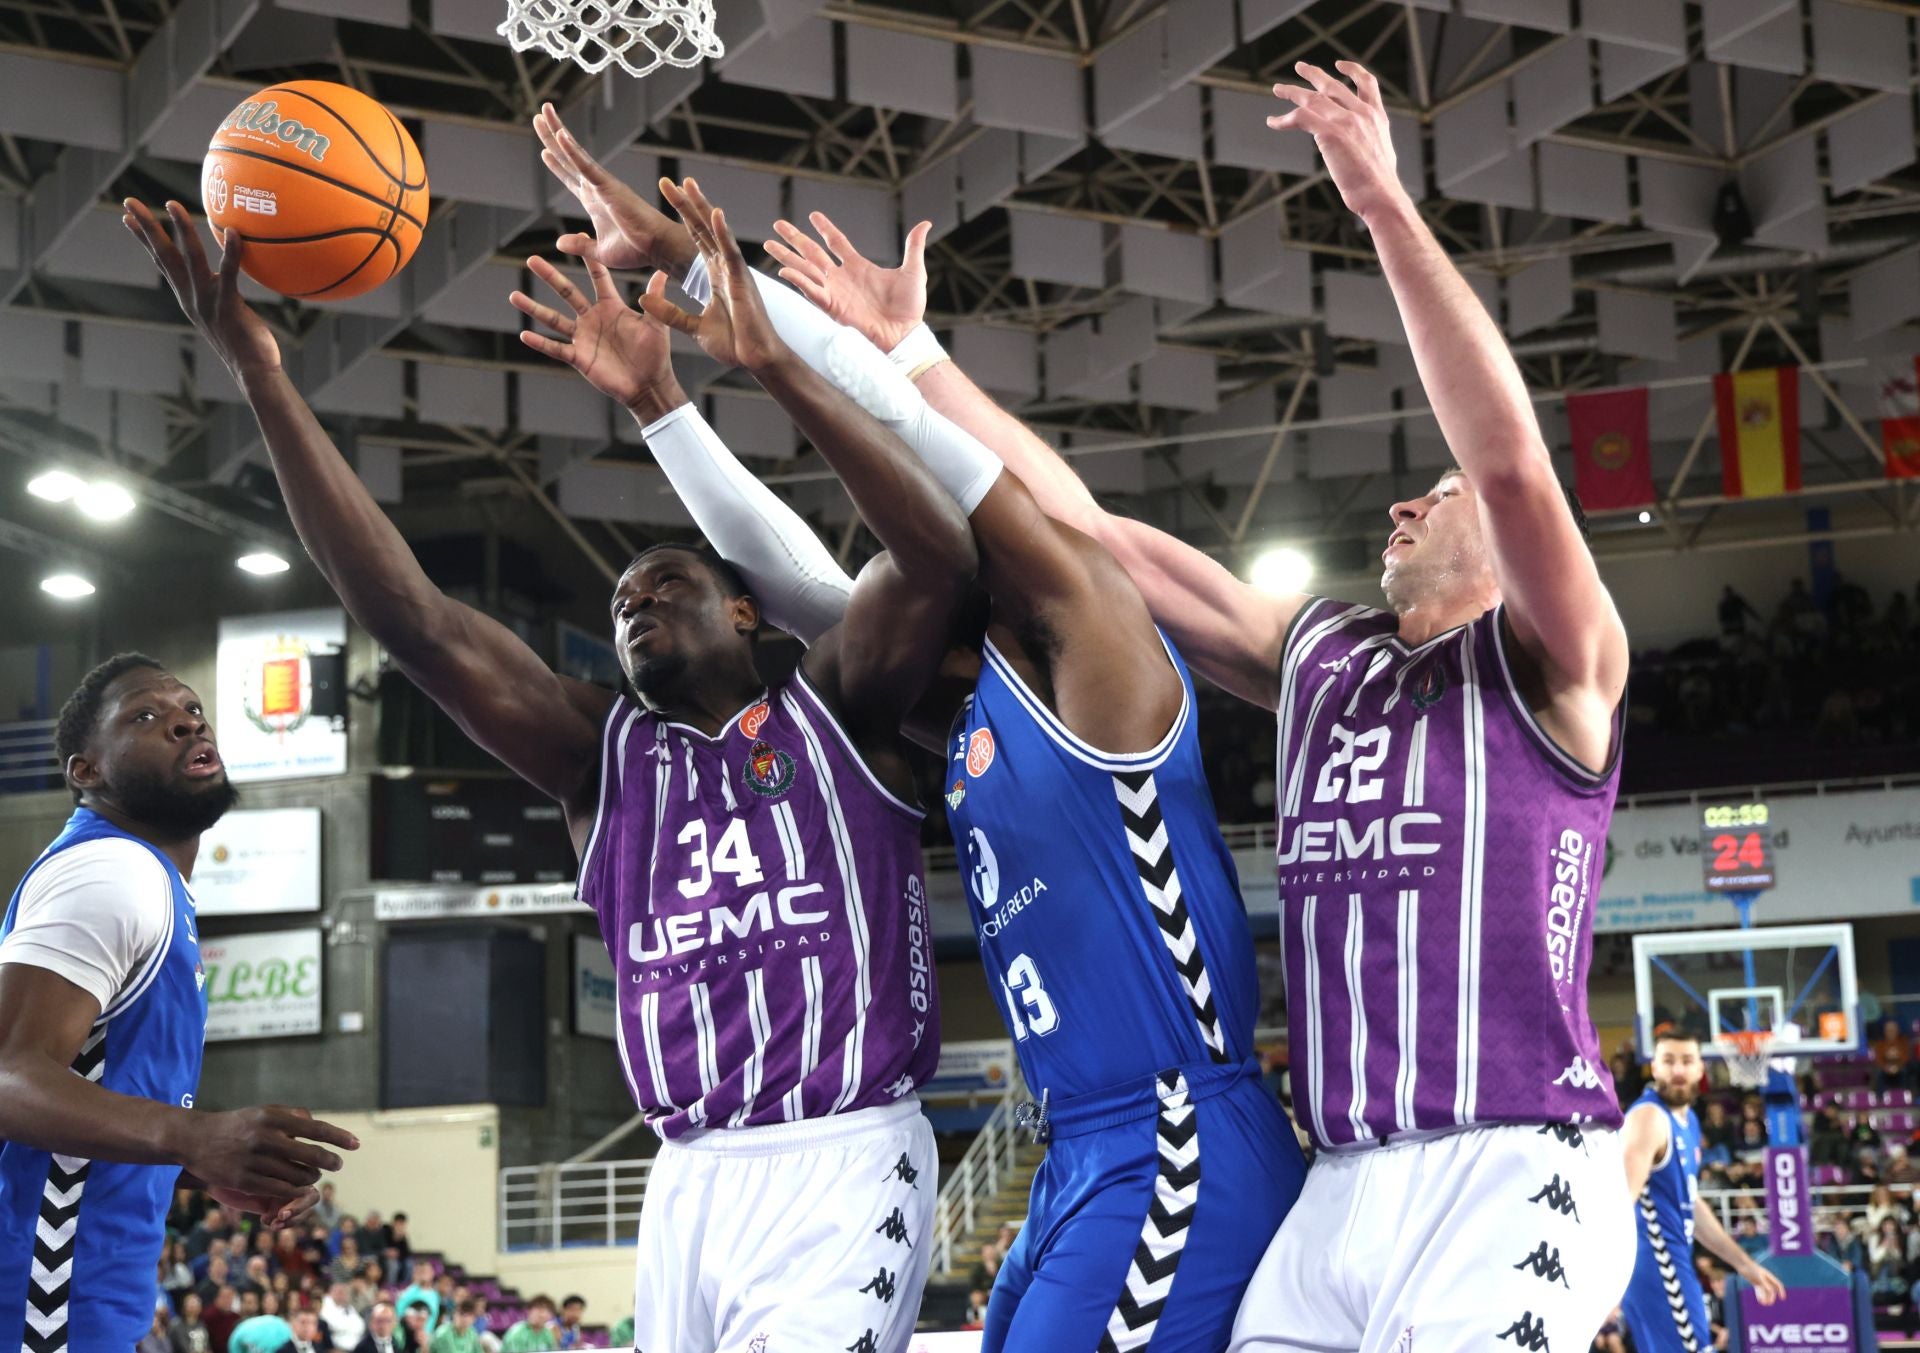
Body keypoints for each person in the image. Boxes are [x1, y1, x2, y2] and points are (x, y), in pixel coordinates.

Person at [748, 56, 1641, 1353]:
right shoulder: (1324, 652)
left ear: (1501, 543)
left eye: (1430, 497)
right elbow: (1088, 541)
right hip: (1338, 1185)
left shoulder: (1563, 662)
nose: (1404, 503)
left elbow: (1506, 461)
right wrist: (914, 361)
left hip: (1514, 1165)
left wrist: (1384, 204)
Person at [127, 189, 972, 1353]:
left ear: (748, 605)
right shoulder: (603, 762)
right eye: (620, 597)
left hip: (843, 1154)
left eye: (665, 580)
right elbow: (415, 622)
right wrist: (263, 373)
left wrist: (765, 363)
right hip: (685, 1181)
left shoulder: (843, 709)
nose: (633, 597)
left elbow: (931, 557)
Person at [532, 152, 1307, 1346]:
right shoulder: (966, 705)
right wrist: (665, 408)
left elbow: (960, 477)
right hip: (1077, 1148)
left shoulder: (1099, 654)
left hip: (1177, 1131)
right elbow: (787, 579)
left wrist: (758, 323)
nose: (872, 598)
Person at [0, 653, 359, 1351]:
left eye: (191, 709)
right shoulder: (111, 870)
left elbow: (88, 1097)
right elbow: (8, 1074)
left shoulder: (147, 878)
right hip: (38, 1300)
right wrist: (191, 1135)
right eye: (146, 715)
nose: (185, 722)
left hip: (81, 1302)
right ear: (87, 770)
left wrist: (201, 1167)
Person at [1621, 1031, 1784, 1353]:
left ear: (1700, 1070)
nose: (1678, 1070)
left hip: (1673, 1256)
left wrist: (1743, 1264)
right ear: (1654, 1068)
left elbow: (1691, 1204)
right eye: (1668, 1061)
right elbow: (1618, 1201)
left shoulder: (1688, 1121)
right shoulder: (1649, 1118)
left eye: (1686, 1061)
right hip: (1654, 1261)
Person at [230, 1301, 295, 1353]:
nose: (269, 1306)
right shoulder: (245, 1329)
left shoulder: (282, 1327)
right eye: (267, 1303)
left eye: (272, 1303)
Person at [394, 1260, 441, 1333]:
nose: (423, 1274)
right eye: (421, 1271)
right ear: (415, 1274)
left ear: (432, 1273)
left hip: (426, 1338)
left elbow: (433, 1318)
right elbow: (398, 1316)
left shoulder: (435, 1295)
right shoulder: (407, 1294)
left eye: (426, 1271)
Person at [320, 1281, 364, 1351]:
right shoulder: (325, 1306)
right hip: (335, 1348)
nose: (343, 1295)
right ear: (331, 1293)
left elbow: (361, 1326)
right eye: (339, 1292)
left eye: (345, 1293)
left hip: (355, 1348)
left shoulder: (349, 1307)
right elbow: (334, 1325)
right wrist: (350, 1325)